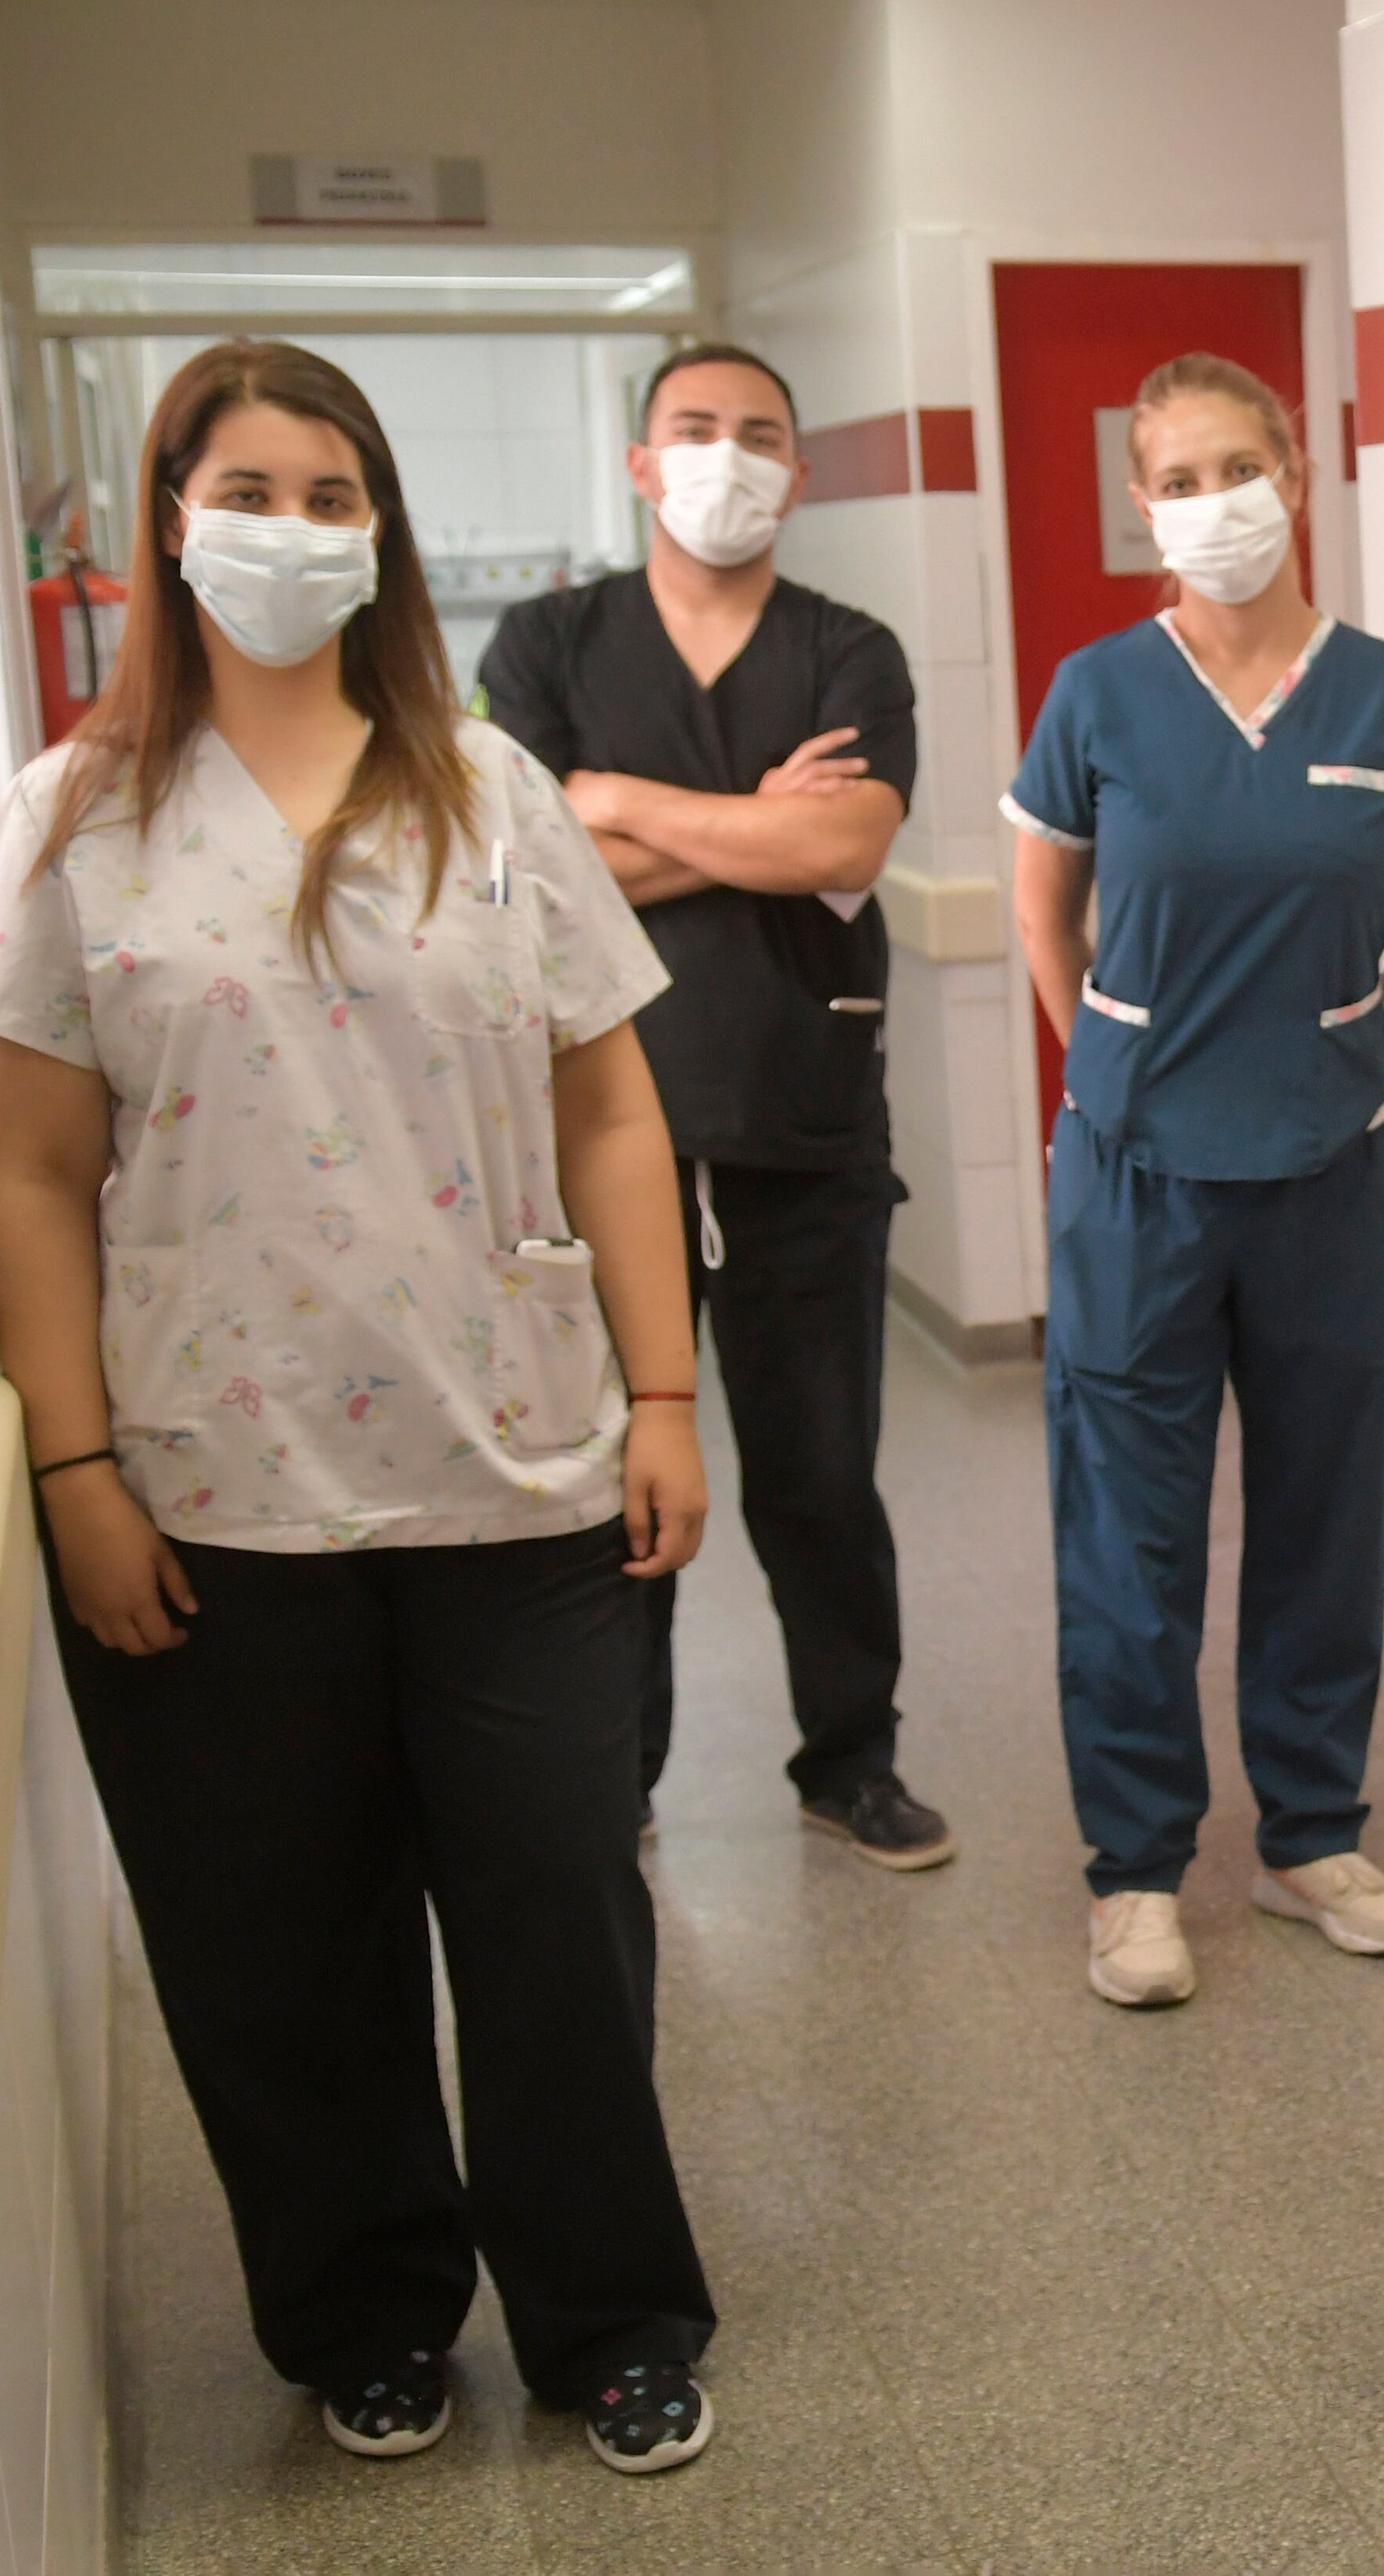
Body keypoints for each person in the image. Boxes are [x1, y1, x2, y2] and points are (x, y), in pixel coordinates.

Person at [0, 339, 724, 2472]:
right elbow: (23, 1164)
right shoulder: (75, 822)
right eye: (248, 486)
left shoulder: (490, 794)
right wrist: (73, 1462)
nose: (288, 528)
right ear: (162, 519)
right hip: (214, 1502)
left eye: (328, 491)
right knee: (282, 1958)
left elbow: (610, 1108)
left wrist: (667, 1391)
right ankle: (367, 2309)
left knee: (564, 1915)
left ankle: (612, 2315)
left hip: (524, 1486)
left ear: (376, 530)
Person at [1004, 353, 1384, 2006]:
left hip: (1327, 1167)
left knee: (1325, 1508)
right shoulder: (1097, 694)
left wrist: (1356, 1066)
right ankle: (1135, 1869)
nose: (1215, 502)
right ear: (1144, 508)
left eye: (1238, 465)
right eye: (1179, 478)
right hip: (1137, 1173)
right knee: (1128, 1532)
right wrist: (1118, 1074)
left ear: (1297, 470)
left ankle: (1310, 1835)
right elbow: (1042, 913)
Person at [479, 342, 952, 1868]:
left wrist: (612, 802)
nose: (726, 458)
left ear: (799, 475)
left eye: (759, 435)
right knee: (621, 1470)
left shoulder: (848, 649)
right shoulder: (547, 642)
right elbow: (520, 869)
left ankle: (850, 1762)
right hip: (594, 1133)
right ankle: (617, 1775)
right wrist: (761, 823)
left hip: (798, 1125)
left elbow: (848, 847)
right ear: (639, 462)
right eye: (695, 431)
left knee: (819, 1475)